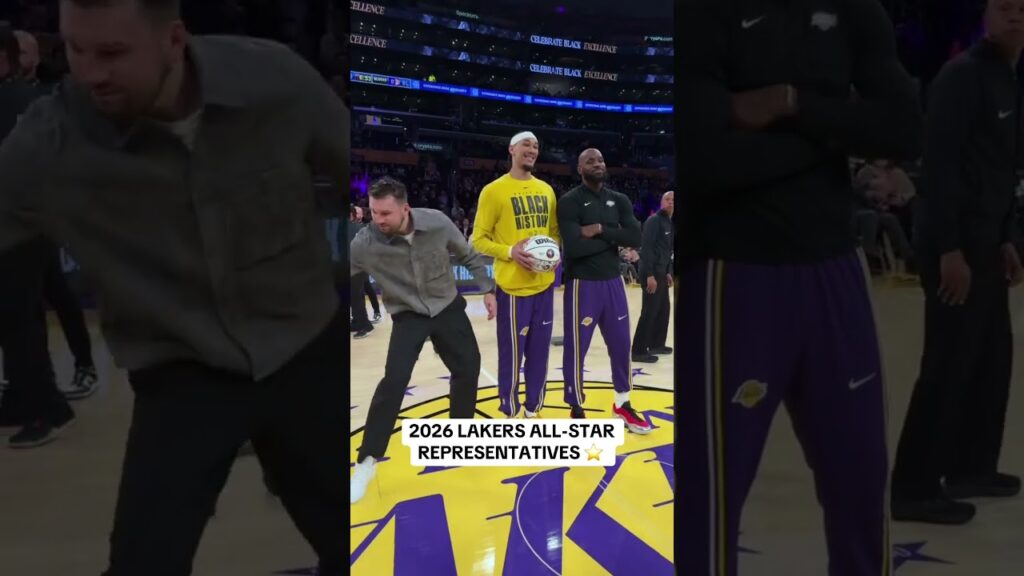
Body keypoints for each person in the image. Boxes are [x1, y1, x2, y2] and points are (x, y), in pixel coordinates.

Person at [0, 0, 349, 573]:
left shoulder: (275, 79)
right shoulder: (48, 143)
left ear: (174, 39)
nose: (90, 73)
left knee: (357, 541)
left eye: (112, 52)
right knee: (143, 562)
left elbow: (352, 171)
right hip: (182, 375)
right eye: (76, 51)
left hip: (307, 352)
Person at [678, 0, 922, 574]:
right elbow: (705, 159)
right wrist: (837, 132)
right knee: (709, 500)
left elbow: (904, 127)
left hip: (837, 269)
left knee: (861, 485)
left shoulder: (856, 10)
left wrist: (789, 104)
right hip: (732, 273)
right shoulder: (700, 15)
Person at [891, 0, 1024, 526]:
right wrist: (948, 248)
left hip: (990, 243)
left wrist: (1009, 237)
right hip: (956, 245)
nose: (1016, 15)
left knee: (993, 360)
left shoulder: (1008, 79)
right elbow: (941, 167)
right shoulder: (961, 77)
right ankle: (914, 487)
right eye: (1006, 7)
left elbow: (1002, 168)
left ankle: (972, 466)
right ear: (986, 18)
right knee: (946, 365)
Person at [349, 177, 496, 503]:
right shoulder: (364, 244)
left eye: (386, 213)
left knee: (468, 367)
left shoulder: (437, 223)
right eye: (374, 212)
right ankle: (366, 461)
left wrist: (487, 289)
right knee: (394, 381)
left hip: (447, 307)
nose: (379, 219)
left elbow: (470, 255)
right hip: (408, 316)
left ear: (405, 208)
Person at [557, 148, 651, 433]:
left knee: (622, 345)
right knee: (577, 349)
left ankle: (623, 403)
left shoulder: (619, 199)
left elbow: (636, 236)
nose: (597, 164)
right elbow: (574, 247)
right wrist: (614, 239)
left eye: (600, 160)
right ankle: (576, 407)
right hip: (581, 285)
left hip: (613, 283)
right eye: (590, 161)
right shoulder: (569, 201)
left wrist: (598, 229)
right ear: (579, 168)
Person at [471, 131, 560, 418]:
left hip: (544, 287)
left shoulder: (546, 190)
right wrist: (511, 252)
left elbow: (554, 234)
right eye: (526, 144)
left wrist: (554, 255)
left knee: (539, 354)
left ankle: (534, 407)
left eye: (536, 145)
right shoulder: (493, 191)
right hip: (511, 290)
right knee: (511, 355)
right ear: (511, 149)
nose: (532, 149)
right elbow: (478, 239)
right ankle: (509, 407)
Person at [631, 190, 674, 362]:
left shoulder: (669, 223)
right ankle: (638, 350)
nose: (671, 202)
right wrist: (649, 275)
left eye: (673, 200)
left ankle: (656, 344)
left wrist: (669, 272)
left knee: (663, 309)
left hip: (662, 272)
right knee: (649, 311)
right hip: (651, 272)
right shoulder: (653, 221)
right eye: (667, 199)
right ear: (661, 202)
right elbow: (647, 248)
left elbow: (668, 250)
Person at [348, 205, 380, 338]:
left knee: (356, 298)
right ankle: (359, 322)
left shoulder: (352, 228)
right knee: (356, 297)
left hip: (355, 267)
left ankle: (364, 325)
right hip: (360, 267)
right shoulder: (359, 228)